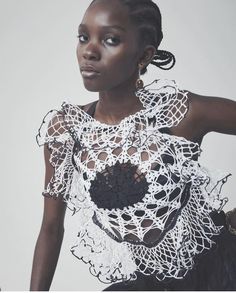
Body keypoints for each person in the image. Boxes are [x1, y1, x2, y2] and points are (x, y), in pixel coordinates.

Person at [30, 0, 236, 291]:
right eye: (83, 37)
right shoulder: (67, 129)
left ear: (144, 56)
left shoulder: (178, 113)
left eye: (110, 40)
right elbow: (51, 228)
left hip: (221, 268)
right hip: (149, 283)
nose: (89, 51)